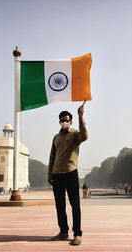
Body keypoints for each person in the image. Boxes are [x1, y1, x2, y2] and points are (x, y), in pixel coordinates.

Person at [48, 104, 88, 246]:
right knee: (59, 206)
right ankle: (63, 231)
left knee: (74, 205)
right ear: (59, 122)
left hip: (70, 172)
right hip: (57, 174)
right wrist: (50, 174)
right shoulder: (56, 137)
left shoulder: (75, 134)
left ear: (70, 121)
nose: (64, 122)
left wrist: (80, 117)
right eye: (62, 120)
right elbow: (52, 156)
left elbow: (85, 136)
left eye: (66, 120)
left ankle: (77, 234)